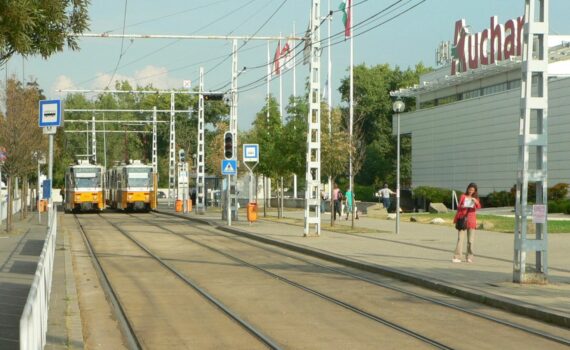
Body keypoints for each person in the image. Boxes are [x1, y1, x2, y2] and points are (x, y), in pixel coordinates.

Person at [452, 183, 482, 263]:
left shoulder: (476, 198)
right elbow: (458, 206)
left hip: (471, 220)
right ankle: (457, 256)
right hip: (462, 219)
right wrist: (462, 206)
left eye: (472, 190)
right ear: (467, 188)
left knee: (470, 241)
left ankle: (469, 256)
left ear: (475, 191)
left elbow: (479, 207)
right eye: (470, 189)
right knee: (460, 239)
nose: (470, 191)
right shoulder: (463, 196)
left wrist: (475, 201)